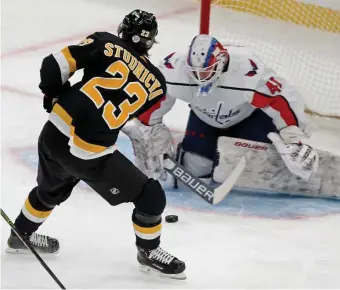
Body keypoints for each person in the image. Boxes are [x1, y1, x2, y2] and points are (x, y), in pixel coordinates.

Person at [6, 9, 186, 279]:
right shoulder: (157, 84)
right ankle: (148, 253)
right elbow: (132, 116)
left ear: (123, 30)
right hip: (88, 151)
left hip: (53, 133)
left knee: (52, 187)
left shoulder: (104, 42)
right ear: (151, 42)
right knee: (151, 197)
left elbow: (53, 65)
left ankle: (21, 235)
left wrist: (53, 95)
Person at [124, 34, 319, 186]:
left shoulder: (246, 69)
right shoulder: (174, 70)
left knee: (270, 162)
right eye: (195, 72)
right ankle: (185, 151)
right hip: (203, 121)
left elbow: (280, 98)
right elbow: (153, 103)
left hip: (247, 118)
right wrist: (149, 133)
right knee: (195, 171)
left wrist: (294, 138)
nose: (200, 77)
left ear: (221, 61)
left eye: (206, 71)